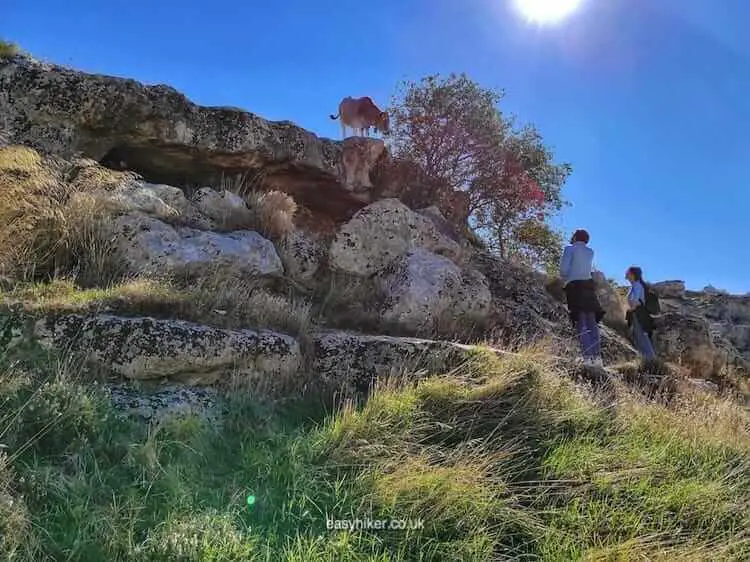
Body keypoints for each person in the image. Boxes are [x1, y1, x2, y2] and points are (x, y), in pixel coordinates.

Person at [560, 229, 605, 366]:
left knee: (581, 322)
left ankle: (587, 358)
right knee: (592, 323)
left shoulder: (569, 249)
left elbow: (563, 270)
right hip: (588, 287)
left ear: (574, 236)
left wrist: (566, 277)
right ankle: (597, 358)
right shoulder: (590, 252)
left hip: (574, 287)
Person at [625, 266, 657, 361]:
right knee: (640, 337)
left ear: (632, 274)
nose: (625, 273)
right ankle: (647, 361)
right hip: (640, 314)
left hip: (639, 314)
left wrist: (631, 309)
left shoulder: (637, 285)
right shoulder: (636, 285)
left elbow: (635, 301)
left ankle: (651, 361)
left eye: (627, 272)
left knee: (642, 337)